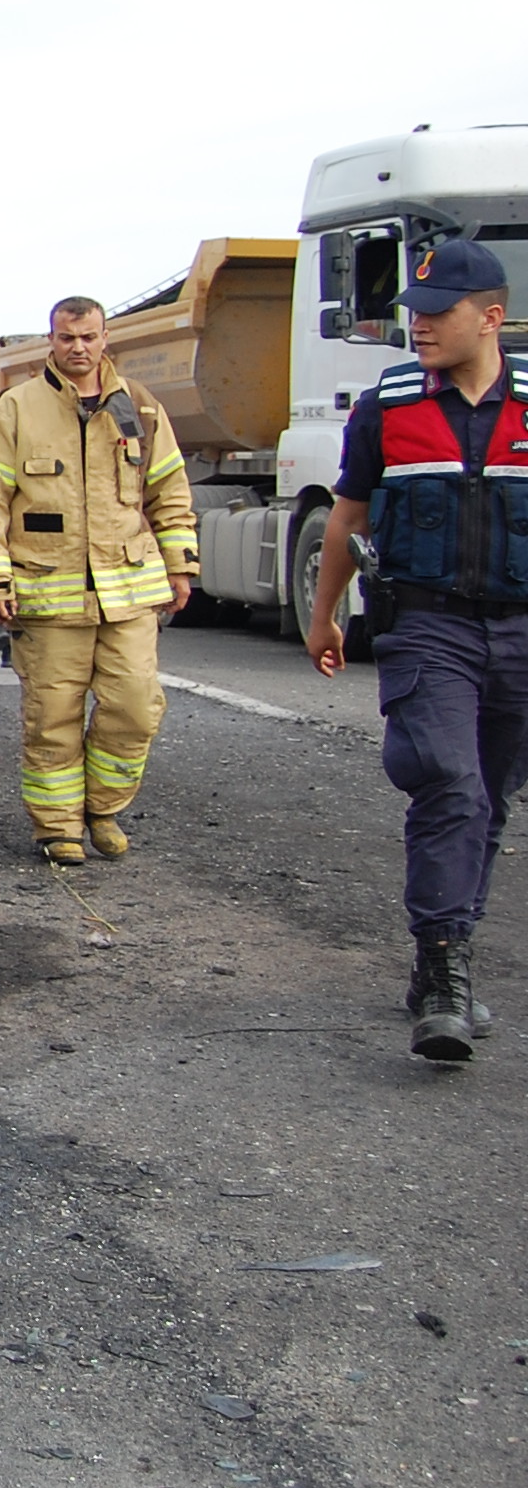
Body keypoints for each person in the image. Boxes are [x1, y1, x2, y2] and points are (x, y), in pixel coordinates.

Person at [306, 236, 524, 1063]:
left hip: (518, 629)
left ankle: (448, 953)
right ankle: (443, 975)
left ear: (490, 317)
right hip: (427, 626)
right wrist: (325, 615)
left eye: (438, 315)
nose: (421, 328)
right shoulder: (388, 405)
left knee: (492, 797)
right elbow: (347, 517)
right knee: (450, 784)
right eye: (415, 314)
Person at [0, 297, 198, 863]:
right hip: (47, 598)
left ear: (104, 338)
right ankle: (58, 828)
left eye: (88, 337)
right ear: (52, 340)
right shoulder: (17, 409)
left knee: (136, 705)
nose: (79, 348)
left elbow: (169, 490)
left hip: (129, 592)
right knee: (53, 718)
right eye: (68, 337)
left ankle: (104, 810)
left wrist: (181, 563)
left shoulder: (139, 408)